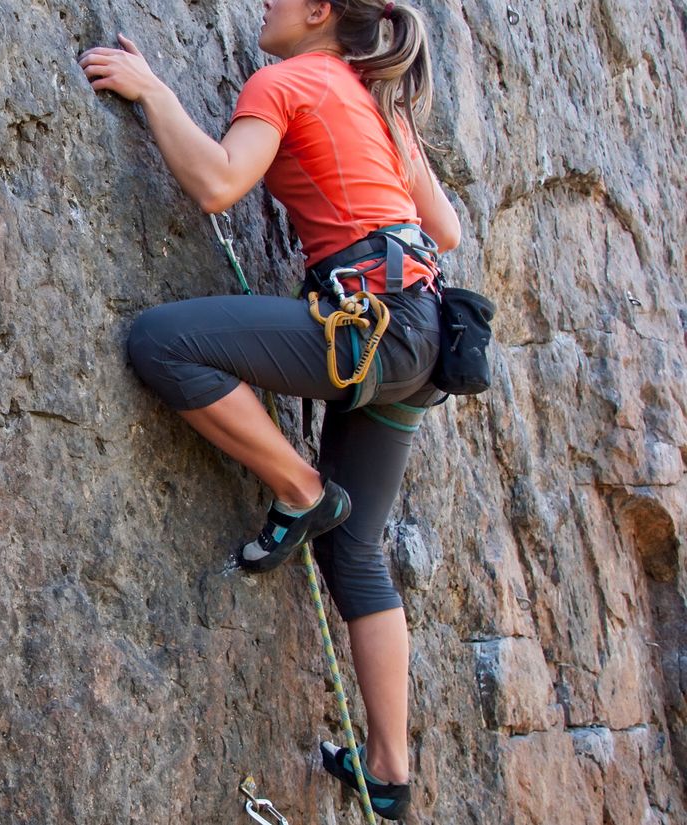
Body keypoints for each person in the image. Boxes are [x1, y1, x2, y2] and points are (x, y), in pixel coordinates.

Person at [79, 0, 461, 819]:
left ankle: (299, 488)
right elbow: (447, 228)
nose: (264, 6)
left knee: (161, 343)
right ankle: (389, 770)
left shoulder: (287, 80)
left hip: (369, 328)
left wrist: (151, 91)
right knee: (355, 552)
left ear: (319, 11)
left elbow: (219, 180)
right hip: (422, 338)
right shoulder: (379, 103)